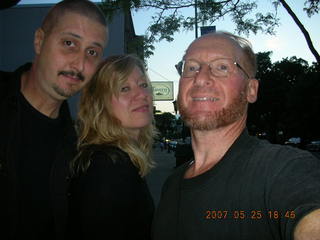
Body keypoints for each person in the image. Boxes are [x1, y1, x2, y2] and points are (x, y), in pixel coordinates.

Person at [152, 31, 320, 240]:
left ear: (251, 89)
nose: (201, 78)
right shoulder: (172, 184)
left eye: (222, 67)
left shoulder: (282, 168)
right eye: (191, 67)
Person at [0, 1, 108, 239]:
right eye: (69, 43)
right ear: (39, 41)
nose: (79, 64)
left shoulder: (79, 150)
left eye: (92, 52)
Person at [68, 54, 157, 240]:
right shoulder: (109, 166)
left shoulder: (116, 159)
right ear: (101, 105)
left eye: (143, 85)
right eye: (124, 88)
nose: (141, 95)